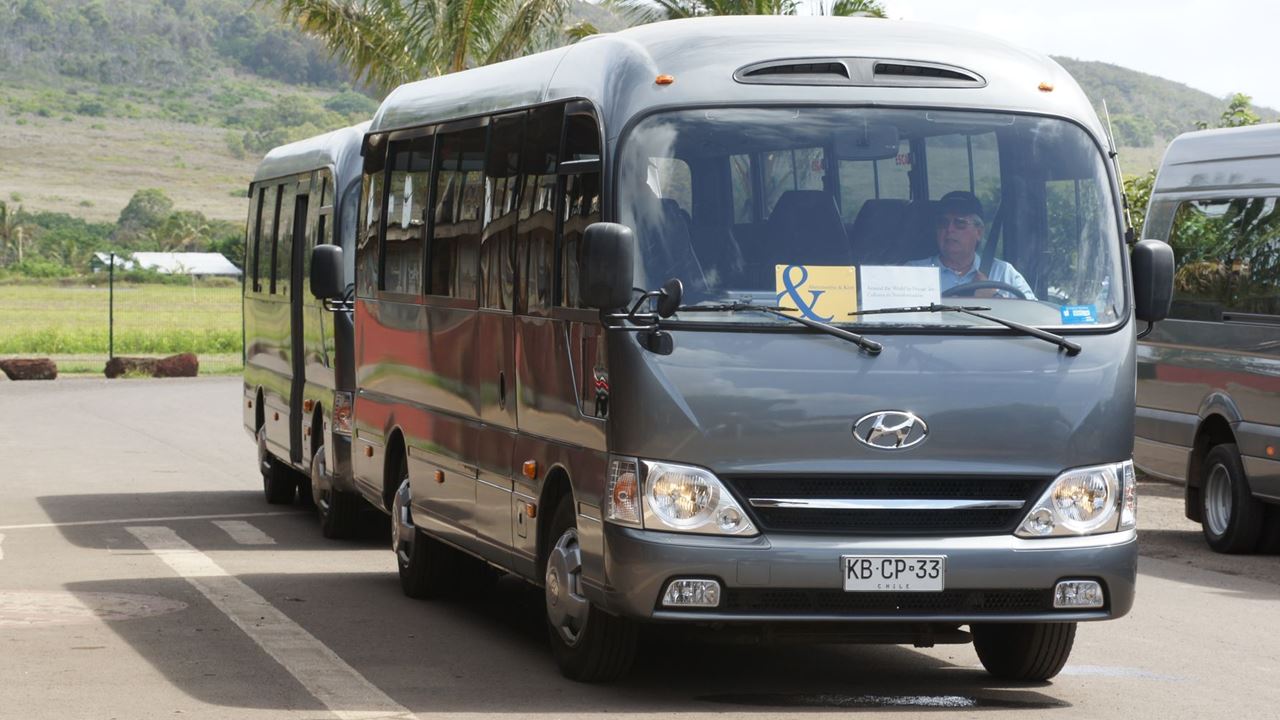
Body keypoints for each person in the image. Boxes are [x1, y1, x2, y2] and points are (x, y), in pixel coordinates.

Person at [906, 191, 1034, 299]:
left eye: (960, 223)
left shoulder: (1003, 272)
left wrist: (995, 298)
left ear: (978, 232)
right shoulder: (912, 273)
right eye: (943, 222)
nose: (950, 229)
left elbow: (1037, 317)